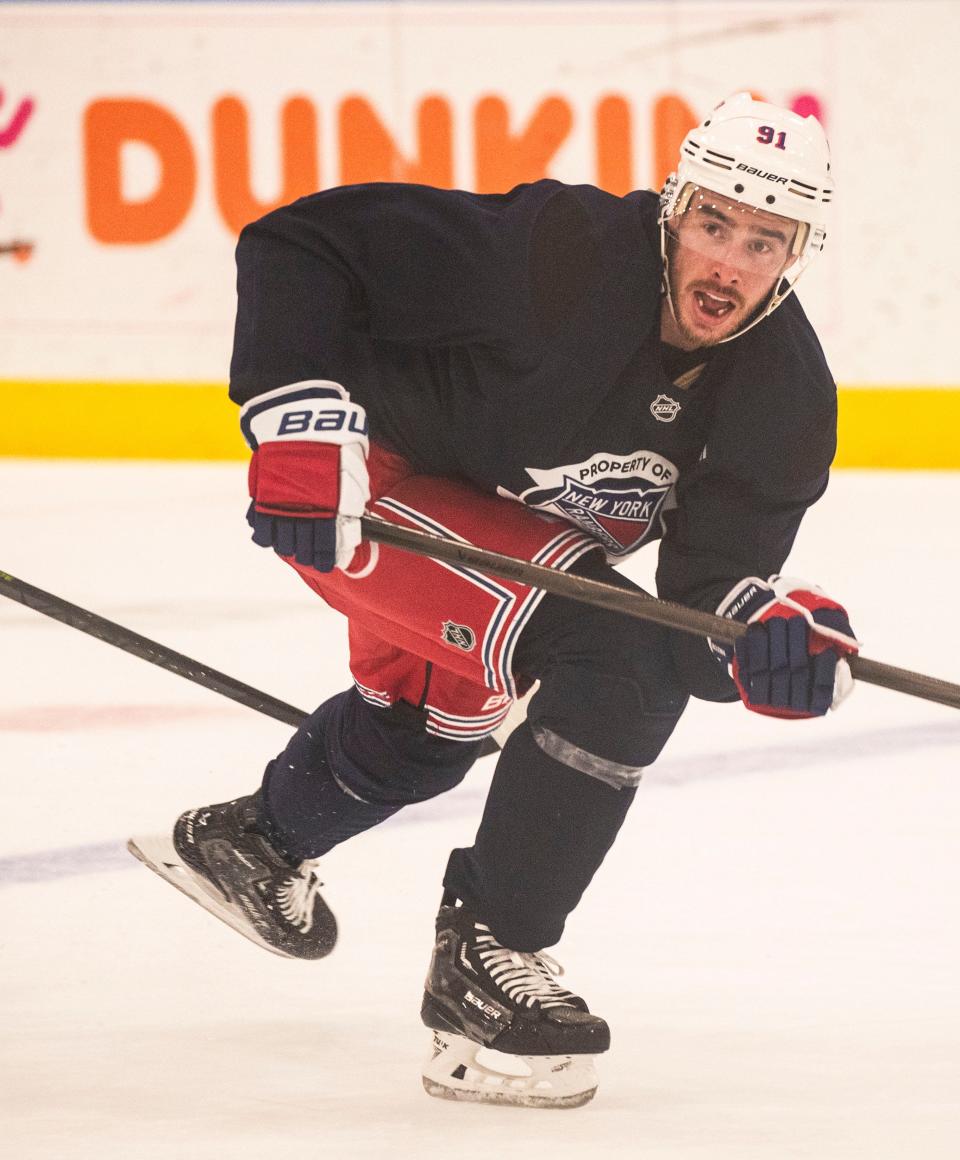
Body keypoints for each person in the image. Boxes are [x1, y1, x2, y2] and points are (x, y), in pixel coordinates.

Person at [129, 93, 859, 1109]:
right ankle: (490, 954)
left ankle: (254, 838)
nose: (730, 262)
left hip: (497, 541)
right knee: (613, 655)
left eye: (764, 239)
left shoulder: (786, 389)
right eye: (713, 222)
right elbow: (303, 242)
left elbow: (700, 608)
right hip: (368, 488)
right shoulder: (562, 254)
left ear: (799, 252)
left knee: (430, 732)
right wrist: (296, 416)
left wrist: (765, 640)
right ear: (674, 210)